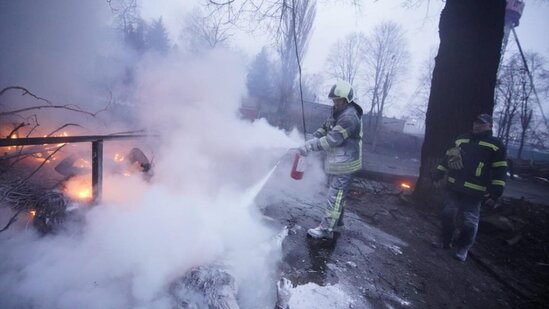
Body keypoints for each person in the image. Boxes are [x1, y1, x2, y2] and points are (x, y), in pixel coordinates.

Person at [433, 113, 508, 261]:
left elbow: (500, 170)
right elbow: (448, 158)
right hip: (454, 186)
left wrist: (495, 193)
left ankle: (463, 247)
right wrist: (438, 173)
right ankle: (445, 240)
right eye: (476, 122)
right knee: (447, 214)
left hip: (475, 192)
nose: (477, 125)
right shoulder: (461, 139)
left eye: (482, 123)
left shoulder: (495, 145)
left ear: (489, 126)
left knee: (469, 222)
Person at [298, 80, 363, 239]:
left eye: (337, 100)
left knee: (335, 195)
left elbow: (332, 140)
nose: (334, 103)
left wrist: (311, 146)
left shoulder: (349, 117)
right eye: (333, 100)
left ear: (346, 100)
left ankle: (326, 230)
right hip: (339, 161)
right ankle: (337, 223)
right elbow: (326, 128)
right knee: (339, 195)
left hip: (346, 163)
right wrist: (313, 137)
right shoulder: (338, 111)